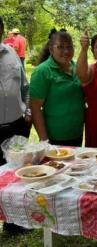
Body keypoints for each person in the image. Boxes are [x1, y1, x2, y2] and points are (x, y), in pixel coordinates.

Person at [0, 16, 32, 234]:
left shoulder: (11, 52)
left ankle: (13, 223)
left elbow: (25, 85)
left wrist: (27, 110)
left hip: (16, 125)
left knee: (15, 176)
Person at [30, 30, 85, 146]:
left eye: (69, 47)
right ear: (51, 49)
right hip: (54, 138)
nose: (66, 51)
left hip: (77, 135)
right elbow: (35, 108)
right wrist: (44, 140)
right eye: (60, 47)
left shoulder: (77, 68)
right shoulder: (43, 71)